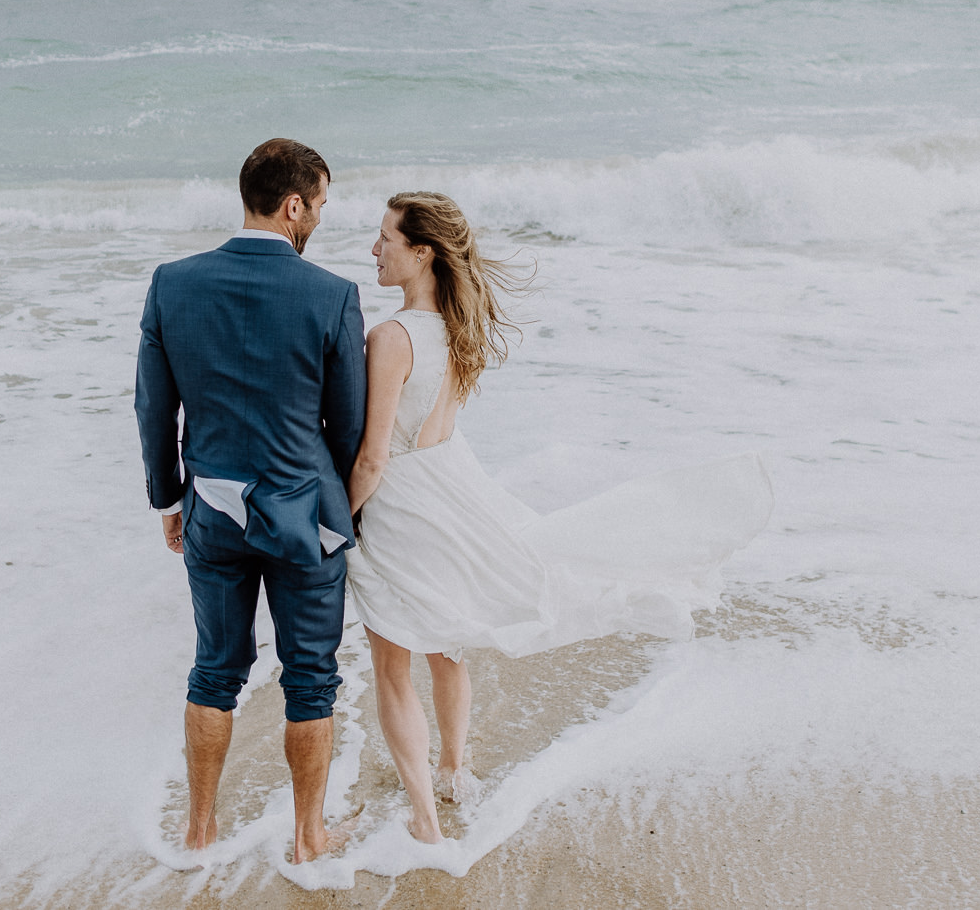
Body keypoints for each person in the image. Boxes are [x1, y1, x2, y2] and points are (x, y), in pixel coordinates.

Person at [347, 191, 772, 844]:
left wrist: (334, 526)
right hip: (454, 492)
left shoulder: (392, 337)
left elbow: (374, 459)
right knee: (447, 643)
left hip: (406, 509)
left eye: (385, 239)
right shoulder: (457, 331)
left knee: (393, 664)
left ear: (422, 252)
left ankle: (426, 822)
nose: (374, 250)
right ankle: (456, 772)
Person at [135, 139, 367, 864]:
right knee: (310, 677)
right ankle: (308, 837)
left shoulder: (173, 284)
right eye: (321, 204)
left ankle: (199, 829)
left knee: (215, 668)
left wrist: (169, 499)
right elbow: (350, 428)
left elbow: (153, 412)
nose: (320, 219)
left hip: (211, 509)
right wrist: (342, 517)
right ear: (293, 203)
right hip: (307, 520)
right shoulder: (331, 296)